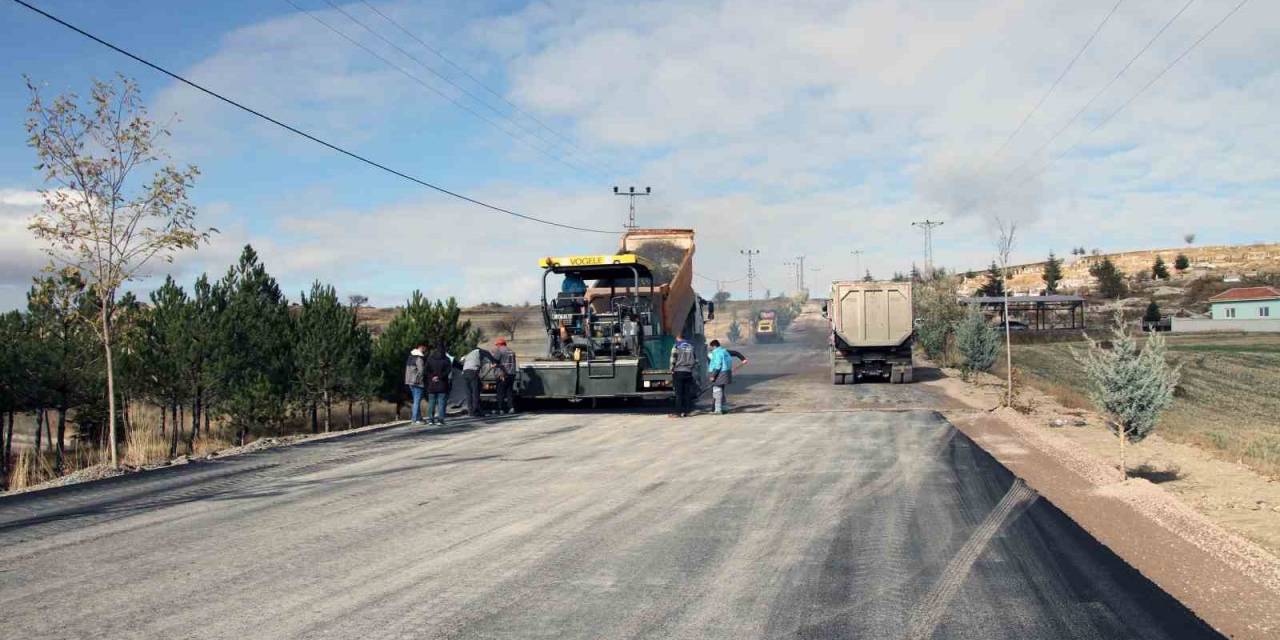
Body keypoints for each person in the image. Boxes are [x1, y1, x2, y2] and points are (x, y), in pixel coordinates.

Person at [707, 339, 749, 415]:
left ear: (714, 346)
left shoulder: (716, 353)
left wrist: (713, 375)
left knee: (717, 391)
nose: (711, 349)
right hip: (726, 373)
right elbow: (735, 353)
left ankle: (717, 409)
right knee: (721, 391)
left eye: (711, 347)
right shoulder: (724, 351)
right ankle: (723, 408)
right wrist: (743, 359)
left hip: (719, 374)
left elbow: (717, 365)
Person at [460, 345, 499, 416]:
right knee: (475, 392)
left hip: (465, 373)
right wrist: (494, 362)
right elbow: (487, 354)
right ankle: (476, 411)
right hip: (472, 372)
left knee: (469, 393)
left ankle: (470, 411)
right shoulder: (479, 351)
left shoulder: (469, 354)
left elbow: (462, 361)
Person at [669, 333, 698, 418]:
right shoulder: (691, 346)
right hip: (688, 372)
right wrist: (691, 368)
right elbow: (695, 359)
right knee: (687, 393)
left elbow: (673, 359)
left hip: (678, 371)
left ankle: (678, 412)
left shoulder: (676, 346)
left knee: (678, 394)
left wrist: (671, 369)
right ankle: (688, 411)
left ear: (678, 337)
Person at [424, 343, 453, 426]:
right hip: (442, 384)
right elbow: (448, 371)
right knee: (441, 402)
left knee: (431, 402)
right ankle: (440, 420)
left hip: (432, 384)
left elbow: (426, 371)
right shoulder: (446, 359)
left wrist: (432, 377)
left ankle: (430, 419)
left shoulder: (430, 358)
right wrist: (439, 377)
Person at [403, 342, 427, 424]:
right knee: (417, 401)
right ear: (421, 347)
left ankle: (419, 418)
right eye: (424, 347)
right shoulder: (419, 358)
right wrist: (422, 379)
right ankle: (414, 419)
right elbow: (421, 371)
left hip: (409, 382)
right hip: (417, 382)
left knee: (416, 400)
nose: (425, 349)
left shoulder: (410, 357)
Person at [493, 337, 518, 415]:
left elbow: (495, 361)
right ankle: (511, 408)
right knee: (509, 392)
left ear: (499, 344)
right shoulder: (511, 351)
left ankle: (500, 409)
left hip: (502, 374)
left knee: (500, 392)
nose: (497, 346)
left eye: (497, 345)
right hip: (512, 374)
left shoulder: (499, 350)